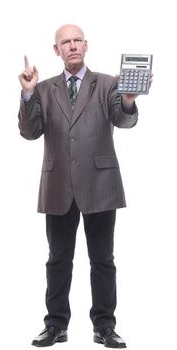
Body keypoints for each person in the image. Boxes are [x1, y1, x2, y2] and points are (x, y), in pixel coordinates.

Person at [18, 24, 149, 349]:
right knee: (57, 260)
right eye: (66, 42)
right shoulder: (44, 88)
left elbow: (123, 121)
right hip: (58, 184)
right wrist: (28, 93)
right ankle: (55, 326)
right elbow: (29, 131)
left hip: (100, 184)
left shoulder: (108, 84)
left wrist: (129, 100)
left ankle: (104, 327)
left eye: (77, 40)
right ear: (56, 50)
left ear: (86, 45)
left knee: (103, 259)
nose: (72, 46)